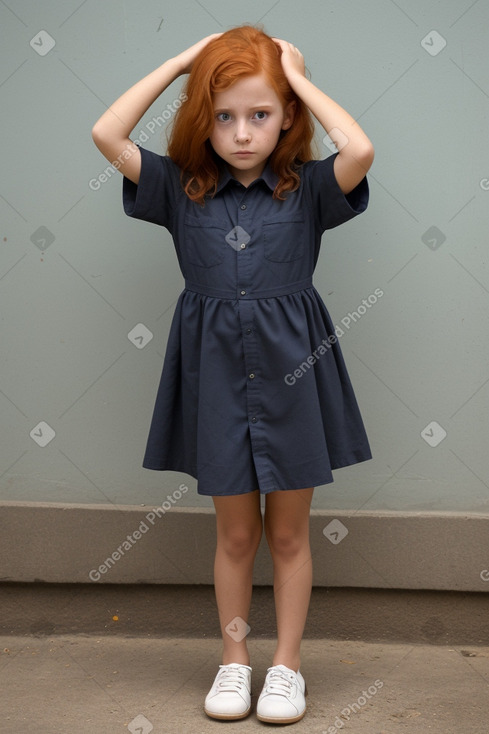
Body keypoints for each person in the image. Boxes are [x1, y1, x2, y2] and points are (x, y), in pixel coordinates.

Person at [92, 24, 374, 725]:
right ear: (202, 119)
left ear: (285, 118)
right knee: (235, 537)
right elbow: (106, 132)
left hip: (293, 374)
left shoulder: (306, 189)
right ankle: (233, 660)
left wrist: (295, 76)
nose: (242, 132)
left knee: (287, 536)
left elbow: (360, 149)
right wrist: (185, 61)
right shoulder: (178, 188)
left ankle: (286, 667)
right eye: (223, 115)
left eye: (260, 114)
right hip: (215, 377)